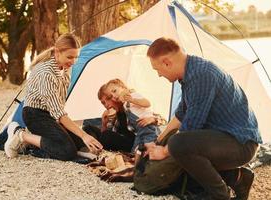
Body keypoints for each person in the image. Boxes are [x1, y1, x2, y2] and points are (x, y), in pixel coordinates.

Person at [144, 37, 262, 200]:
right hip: (225, 140)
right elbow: (181, 114)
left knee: (178, 144)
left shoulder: (202, 75)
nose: (158, 74)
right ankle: (239, 178)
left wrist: (164, 152)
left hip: (241, 144)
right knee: (178, 144)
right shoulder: (190, 73)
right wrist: (158, 141)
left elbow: (191, 128)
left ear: (167, 63)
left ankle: (219, 195)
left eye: (157, 69)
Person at [4, 33, 103, 161]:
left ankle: (37, 140)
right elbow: (59, 113)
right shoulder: (46, 73)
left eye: (75, 57)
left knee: (81, 141)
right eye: (69, 57)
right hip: (35, 115)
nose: (73, 62)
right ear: (57, 52)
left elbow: (58, 105)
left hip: (51, 115)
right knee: (67, 151)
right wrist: (83, 135)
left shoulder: (65, 67)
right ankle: (21, 135)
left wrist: (75, 133)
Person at [83, 82, 161, 153]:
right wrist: (104, 123)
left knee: (107, 136)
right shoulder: (114, 115)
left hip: (135, 141)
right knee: (88, 128)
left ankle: (94, 149)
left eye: (108, 99)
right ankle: (92, 148)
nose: (106, 104)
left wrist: (153, 119)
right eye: (103, 103)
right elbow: (109, 133)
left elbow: (160, 118)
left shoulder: (130, 106)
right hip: (120, 139)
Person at [105, 79, 159, 152]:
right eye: (111, 96)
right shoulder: (124, 106)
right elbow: (114, 131)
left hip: (147, 127)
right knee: (135, 150)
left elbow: (147, 103)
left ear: (123, 87)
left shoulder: (133, 95)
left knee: (149, 147)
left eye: (115, 91)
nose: (114, 96)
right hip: (139, 132)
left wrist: (132, 100)